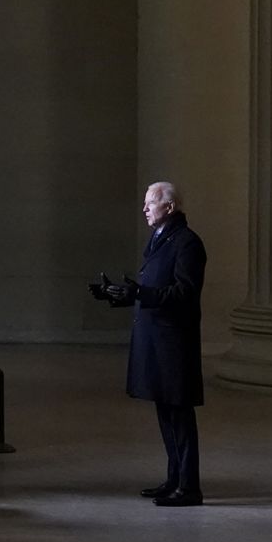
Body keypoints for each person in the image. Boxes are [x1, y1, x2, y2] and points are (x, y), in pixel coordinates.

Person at [101, 182, 207, 507]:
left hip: (174, 343)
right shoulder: (162, 238)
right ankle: (175, 479)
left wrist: (140, 294)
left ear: (169, 207)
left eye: (150, 204)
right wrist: (120, 295)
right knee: (166, 413)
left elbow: (184, 292)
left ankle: (189, 487)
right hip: (158, 341)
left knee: (179, 416)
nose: (145, 209)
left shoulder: (187, 243)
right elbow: (155, 287)